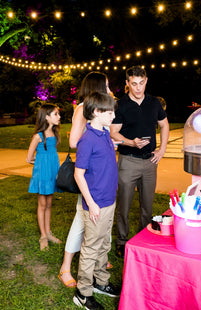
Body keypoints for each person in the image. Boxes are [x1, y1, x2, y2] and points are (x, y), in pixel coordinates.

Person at [59, 72, 113, 288]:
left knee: (92, 219)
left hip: (100, 174)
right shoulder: (84, 109)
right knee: (81, 220)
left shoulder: (102, 109)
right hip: (89, 174)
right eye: (106, 85)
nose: (110, 88)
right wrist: (92, 146)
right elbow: (73, 141)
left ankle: (99, 261)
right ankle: (65, 267)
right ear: (98, 86)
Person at [110, 66, 169, 257]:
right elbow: (114, 132)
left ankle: (144, 239)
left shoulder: (154, 103)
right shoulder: (121, 105)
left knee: (147, 206)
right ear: (127, 84)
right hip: (128, 161)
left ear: (146, 81)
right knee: (124, 205)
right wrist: (131, 142)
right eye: (133, 84)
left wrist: (162, 150)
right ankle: (122, 240)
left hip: (150, 161)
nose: (138, 88)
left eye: (141, 83)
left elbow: (164, 125)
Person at [73, 92, 120, 310]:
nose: (113, 115)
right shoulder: (88, 139)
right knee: (91, 248)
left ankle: (101, 281)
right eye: (108, 112)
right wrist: (91, 203)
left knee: (103, 245)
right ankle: (83, 292)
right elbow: (79, 175)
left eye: (113, 110)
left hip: (109, 201)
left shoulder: (104, 133)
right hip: (96, 205)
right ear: (95, 112)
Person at [26, 103, 62, 251]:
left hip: (53, 172)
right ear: (46, 117)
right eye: (55, 114)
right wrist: (41, 162)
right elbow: (29, 158)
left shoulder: (54, 134)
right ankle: (42, 236)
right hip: (43, 174)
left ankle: (48, 232)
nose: (59, 117)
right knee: (42, 205)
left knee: (49, 204)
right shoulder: (38, 136)